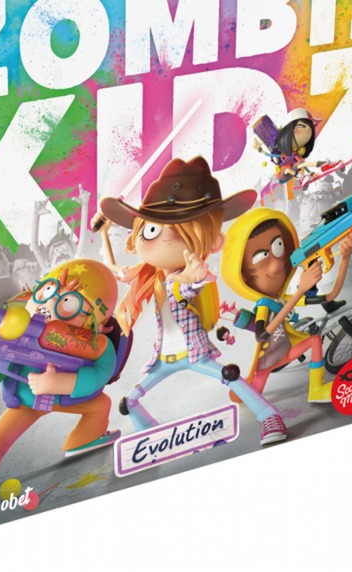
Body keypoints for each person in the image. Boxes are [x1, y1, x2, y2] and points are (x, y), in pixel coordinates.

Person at [95, 156, 287, 447]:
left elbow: (187, 290)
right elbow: (114, 268)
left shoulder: (180, 280)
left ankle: (269, 415)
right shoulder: (150, 277)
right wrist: (105, 235)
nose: (154, 239)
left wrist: (193, 278)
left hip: (194, 352)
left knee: (231, 377)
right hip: (163, 358)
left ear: (212, 242)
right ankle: (149, 434)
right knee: (130, 401)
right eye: (149, 230)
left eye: (171, 229)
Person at [0, 258, 124, 516]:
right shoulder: (14, 331)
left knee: (101, 405)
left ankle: (85, 439)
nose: (49, 305)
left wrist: (59, 383)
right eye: (47, 291)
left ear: (100, 324)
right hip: (25, 401)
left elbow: (100, 374)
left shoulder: (96, 345)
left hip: (67, 399)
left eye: (69, 303)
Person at [220, 208, 352, 400]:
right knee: (256, 389)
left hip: (285, 351)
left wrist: (345, 257)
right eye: (261, 257)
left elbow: (330, 296)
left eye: (279, 247)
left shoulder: (281, 300)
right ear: (243, 276)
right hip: (269, 359)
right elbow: (262, 334)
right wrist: (300, 290)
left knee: (314, 340)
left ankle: (316, 389)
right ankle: (248, 393)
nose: (277, 265)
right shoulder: (264, 305)